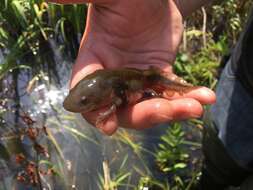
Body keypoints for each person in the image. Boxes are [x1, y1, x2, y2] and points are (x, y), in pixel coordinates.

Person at [48, 0, 253, 189]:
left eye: (84, 101)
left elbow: (115, 101)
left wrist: (106, 112)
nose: (81, 102)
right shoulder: (104, 86)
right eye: (81, 97)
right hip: (243, 83)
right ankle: (212, 179)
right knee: (222, 151)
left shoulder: (115, 91)